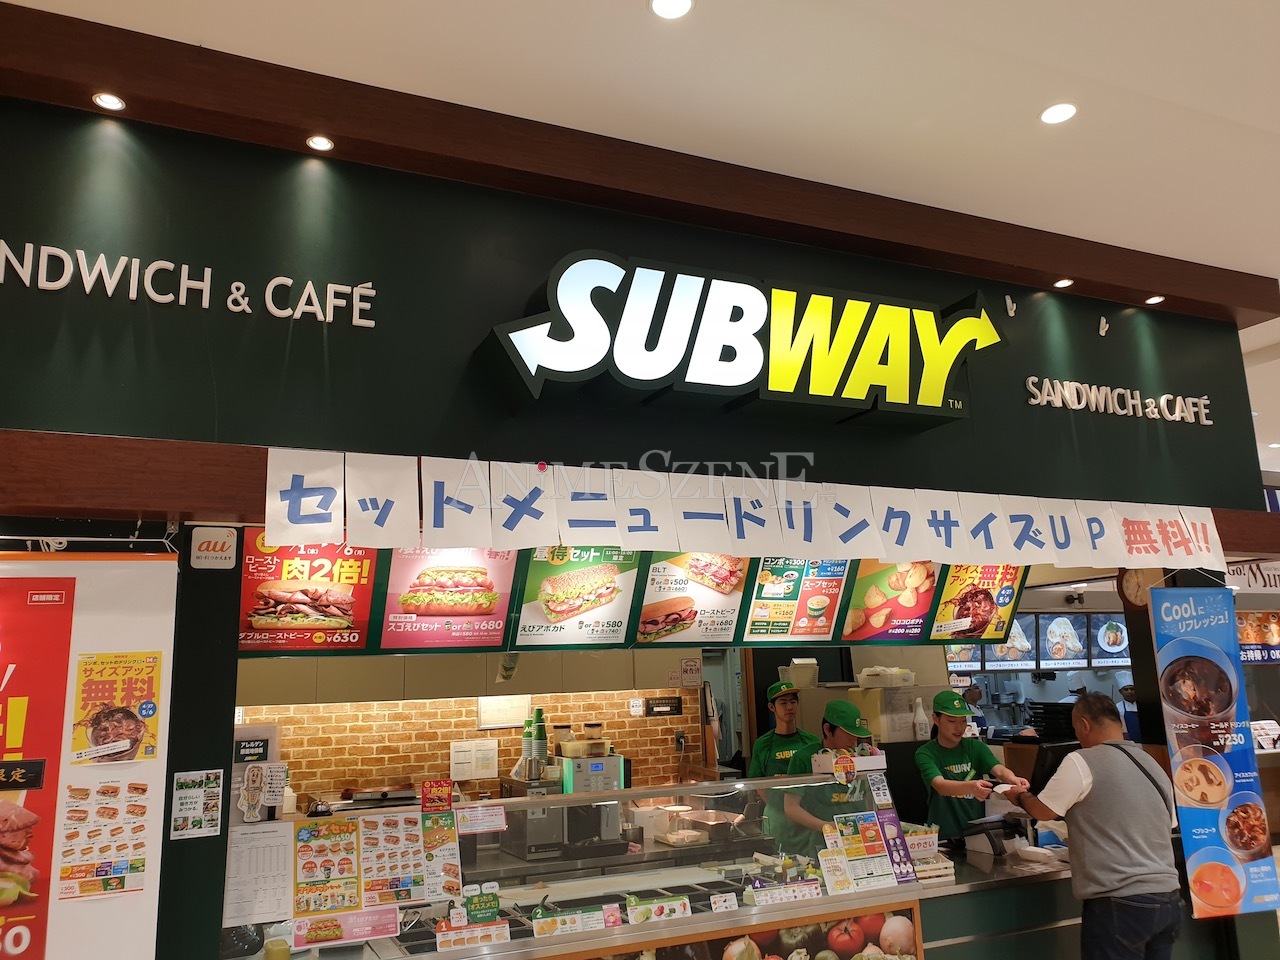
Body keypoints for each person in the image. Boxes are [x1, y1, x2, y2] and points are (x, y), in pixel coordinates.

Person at [1005, 694, 1180, 960]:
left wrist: (1019, 795)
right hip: (1168, 899)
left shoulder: (1081, 760)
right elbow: (1167, 824)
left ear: (1084, 725)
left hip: (1120, 902)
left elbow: (1043, 811)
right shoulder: (1151, 763)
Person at [914, 690, 1029, 841]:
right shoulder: (926, 753)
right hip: (945, 836)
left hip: (979, 833)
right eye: (952, 721)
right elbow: (941, 786)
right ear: (936, 719)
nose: (959, 728)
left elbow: (999, 770)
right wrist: (972, 786)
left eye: (963, 720)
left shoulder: (975, 747)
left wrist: (1012, 779)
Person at [782, 700, 875, 858]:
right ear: (827, 729)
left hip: (862, 841)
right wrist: (827, 827)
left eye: (856, 734)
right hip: (821, 845)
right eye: (848, 733)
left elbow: (870, 799)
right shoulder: (805, 758)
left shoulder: (861, 757)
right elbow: (791, 808)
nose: (853, 739)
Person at [748, 681, 819, 851]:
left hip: (808, 818)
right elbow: (757, 782)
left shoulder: (811, 742)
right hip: (778, 821)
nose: (789, 707)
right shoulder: (763, 744)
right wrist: (778, 806)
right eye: (783, 703)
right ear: (771, 707)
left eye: (793, 702)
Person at [1114, 670, 1140, 741]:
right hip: (1127, 742)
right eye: (1126, 689)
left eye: (1132, 689)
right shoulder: (1118, 707)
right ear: (1120, 692)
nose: (1129, 692)